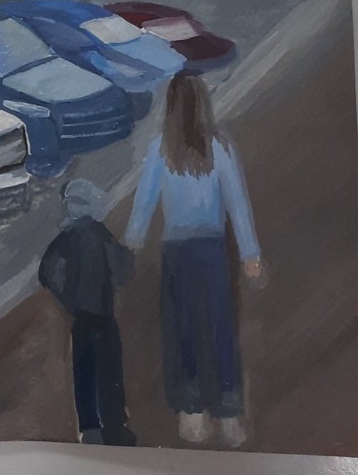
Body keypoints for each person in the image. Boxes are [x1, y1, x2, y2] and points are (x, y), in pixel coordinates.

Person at [125, 69, 263, 447]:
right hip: (213, 251)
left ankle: (192, 413)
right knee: (220, 328)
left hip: (177, 253)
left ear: (170, 108)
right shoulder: (220, 147)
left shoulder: (160, 149)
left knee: (183, 331)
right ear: (204, 105)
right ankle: (229, 415)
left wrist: (132, 243)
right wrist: (250, 253)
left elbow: (145, 202)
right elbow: (237, 203)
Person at [39, 178, 137, 446]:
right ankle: (115, 424)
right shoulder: (101, 235)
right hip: (104, 316)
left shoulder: (66, 239)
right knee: (110, 371)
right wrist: (128, 257)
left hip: (80, 318)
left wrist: (67, 297)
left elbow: (46, 271)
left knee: (84, 372)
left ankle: (90, 428)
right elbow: (123, 271)